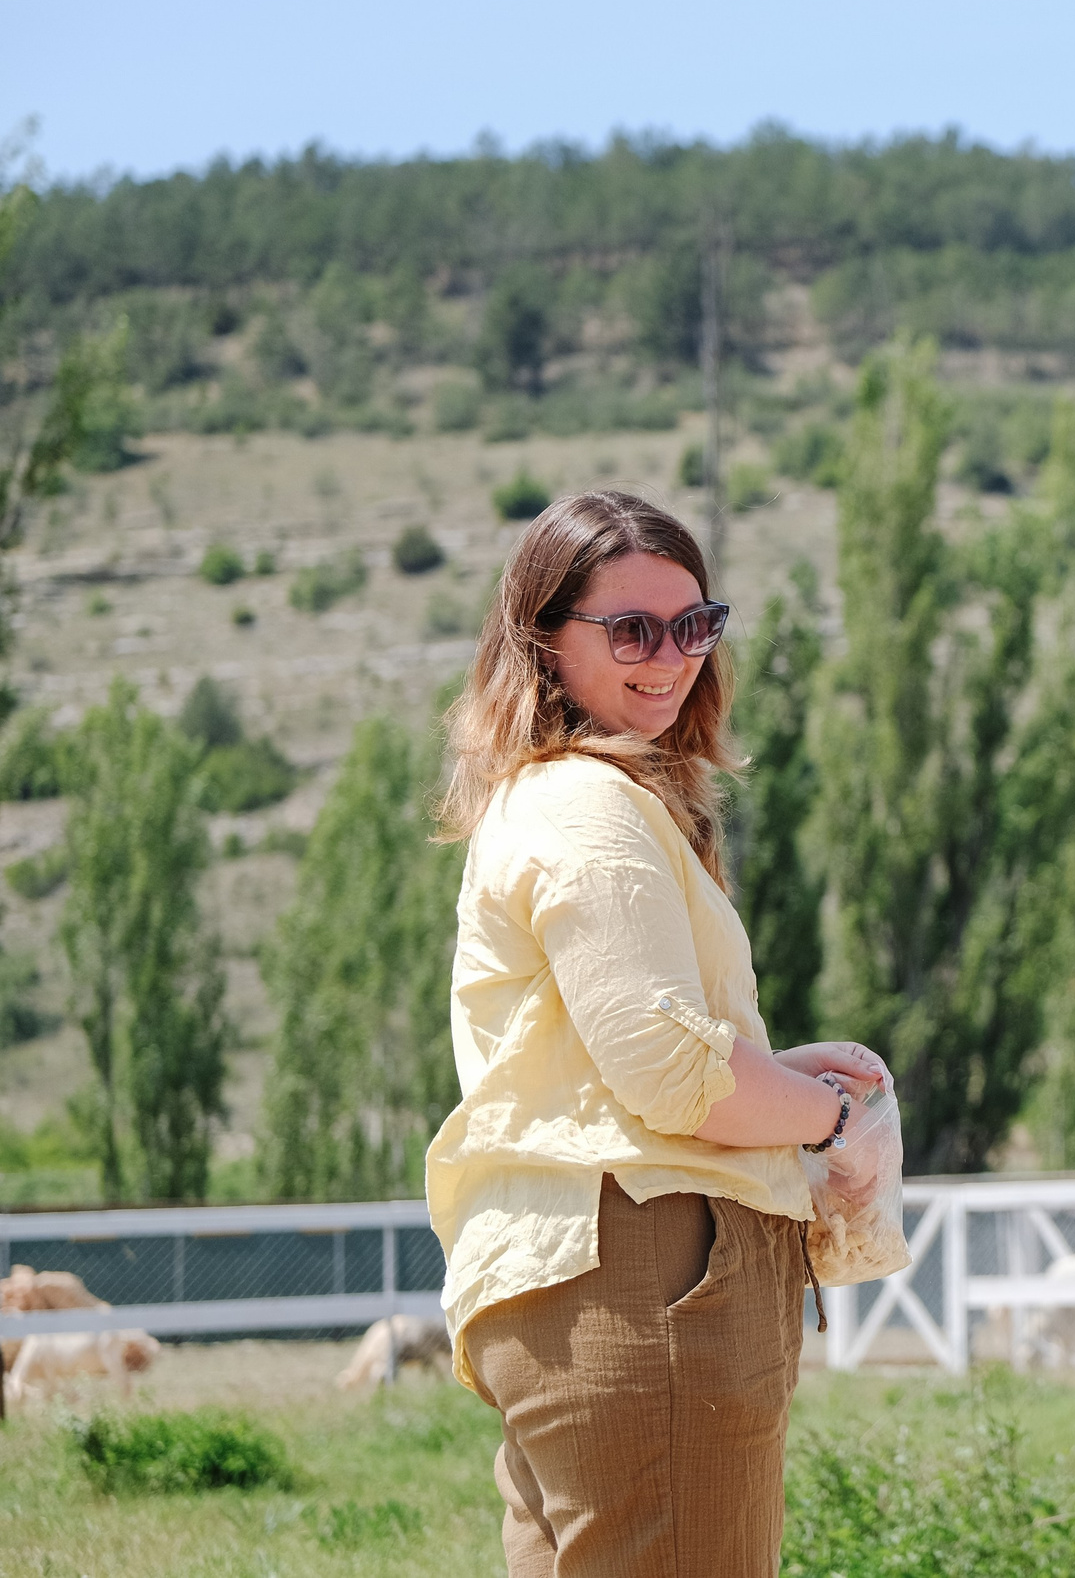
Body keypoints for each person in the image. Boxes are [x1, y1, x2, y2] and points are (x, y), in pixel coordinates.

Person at [426, 489, 885, 1577]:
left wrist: (769, 1070)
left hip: (582, 1270)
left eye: (694, 625)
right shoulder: (589, 806)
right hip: (650, 1264)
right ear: (540, 640)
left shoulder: (553, 800)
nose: (669, 657)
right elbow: (678, 1079)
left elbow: (638, 1056)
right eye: (630, 630)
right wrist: (831, 1119)